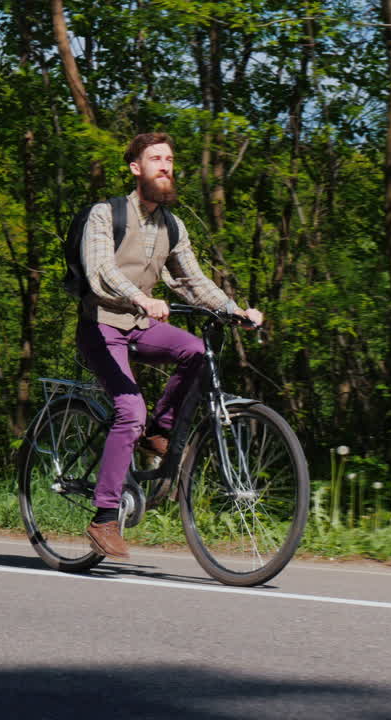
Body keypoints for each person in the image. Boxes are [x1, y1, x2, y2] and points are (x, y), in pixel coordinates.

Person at [78, 132, 263, 561]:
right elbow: (100, 270)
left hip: (140, 325)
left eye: (170, 159)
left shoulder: (172, 225)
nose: (165, 165)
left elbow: (192, 280)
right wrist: (140, 298)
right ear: (135, 168)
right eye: (155, 158)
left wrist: (234, 310)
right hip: (101, 324)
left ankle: (159, 429)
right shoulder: (105, 214)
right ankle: (104, 518)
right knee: (130, 410)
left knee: (197, 351)